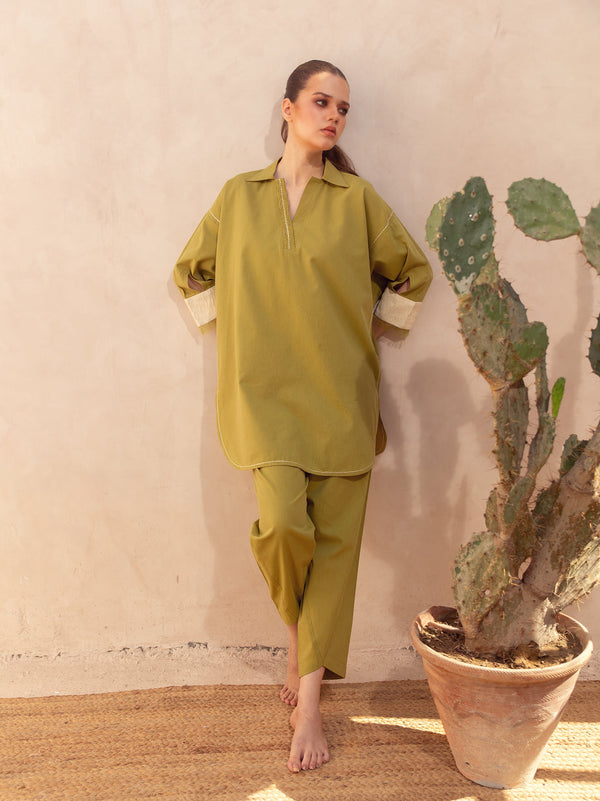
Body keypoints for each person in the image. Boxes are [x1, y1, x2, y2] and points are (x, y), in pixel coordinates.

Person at [172, 59, 432, 773]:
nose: (334, 117)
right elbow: (190, 271)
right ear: (287, 108)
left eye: (343, 109)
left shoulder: (358, 200)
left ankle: (310, 702)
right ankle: (299, 640)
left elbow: (414, 272)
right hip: (263, 399)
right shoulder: (239, 196)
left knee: (336, 555)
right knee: (285, 529)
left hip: (342, 401)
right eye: (322, 102)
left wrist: (372, 331)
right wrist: (238, 331)